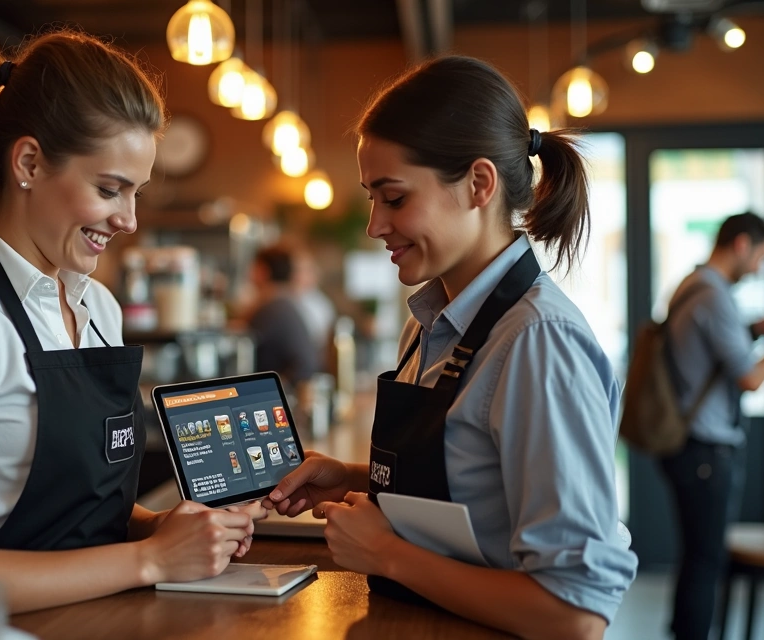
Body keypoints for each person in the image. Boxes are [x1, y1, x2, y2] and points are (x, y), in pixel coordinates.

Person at [0, 31, 260, 618]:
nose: (128, 220)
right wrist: (150, 560)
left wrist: (164, 529)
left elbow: (75, 503)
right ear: (28, 163)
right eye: (109, 189)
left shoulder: (98, 306)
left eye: (136, 193)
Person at [262, 56, 636, 638]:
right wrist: (357, 480)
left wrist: (388, 554)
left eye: (394, 197)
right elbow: (484, 487)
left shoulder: (537, 342)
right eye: (371, 198)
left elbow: (575, 614)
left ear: (479, 185)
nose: (374, 224)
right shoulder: (437, 318)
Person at [660, 212, 764, 640]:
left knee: (696, 558)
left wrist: (755, 329)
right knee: (706, 561)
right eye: (762, 257)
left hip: (689, 444)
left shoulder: (693, 285)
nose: (760, 268)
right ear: (742, 244)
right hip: (705, 449)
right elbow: (752, 378)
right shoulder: (714, 295)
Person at [247, 245, 319, 388]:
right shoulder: (284, 303)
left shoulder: (273, 307)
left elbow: (245, 341)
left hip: (285, 396)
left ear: (262, 271)